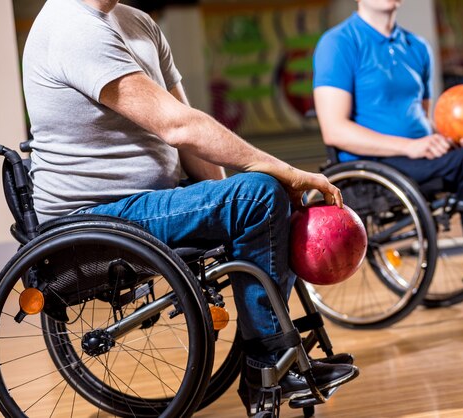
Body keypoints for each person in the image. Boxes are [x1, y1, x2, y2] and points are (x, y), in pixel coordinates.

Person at [22, 0, 358, 414]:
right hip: (95, 216)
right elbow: (177, 126)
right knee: (259, 192)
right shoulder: (72, 27)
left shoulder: (137, 21)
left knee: (254, 196)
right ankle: (269, 362)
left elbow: (189, 130)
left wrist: (226, 203)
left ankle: (273, 361)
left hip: (146, 203)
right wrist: (281, 175)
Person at [312, 0, 463, 288]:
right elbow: (334, 130)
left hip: (419, 155)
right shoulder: (338, 43)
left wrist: (454, 138)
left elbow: (422, 117)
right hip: (374, 165)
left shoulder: (417, 46)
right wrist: (409, 147)